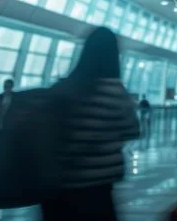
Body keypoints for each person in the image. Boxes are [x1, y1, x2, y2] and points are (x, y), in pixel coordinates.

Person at [40, 27, 140, 220]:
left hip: (56, 187)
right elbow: (132, 130)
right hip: (95, 188)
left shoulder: (63, 87)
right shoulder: (113, 91)